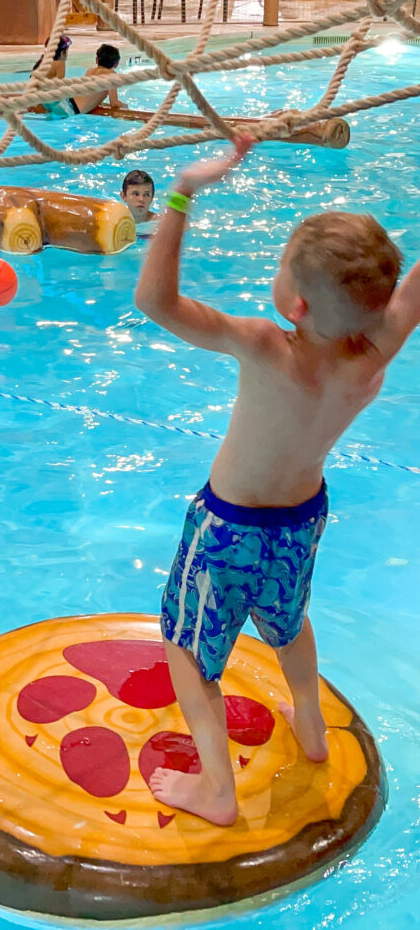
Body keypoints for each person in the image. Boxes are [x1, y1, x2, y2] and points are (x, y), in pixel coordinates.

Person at [134, 137, 420, 826]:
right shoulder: (374, 355)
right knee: (286, 623)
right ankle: (312, 730)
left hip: (227, 525)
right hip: (301, 521)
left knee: (186, 646)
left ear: (294, 304)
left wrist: (182, 192)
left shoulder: (263, 344)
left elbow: (155, 300)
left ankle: (217, 792)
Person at [72, 43, 123, 115]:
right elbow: (114, 103)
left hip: (67, 101)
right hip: (73, 110)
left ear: (96, 60)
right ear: (117, 63)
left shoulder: (90, 71)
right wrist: (125, 106)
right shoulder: (112, 75)